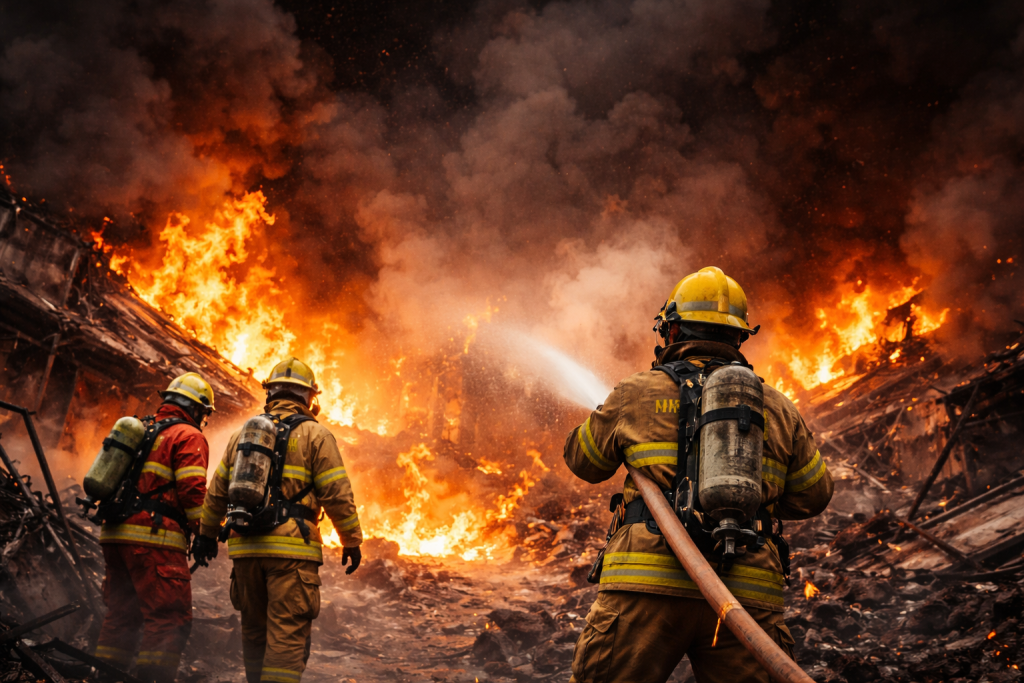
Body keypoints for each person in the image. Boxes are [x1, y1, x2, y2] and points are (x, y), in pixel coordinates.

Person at [565, 266, 834, 683]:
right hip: (744, 593)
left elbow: (585, 462)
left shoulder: (635, 392)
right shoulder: (778, 409)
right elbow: (813, 496)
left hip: (644, 587)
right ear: (740, 338)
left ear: (670, 332)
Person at [193, 357, 362, 683]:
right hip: (291, 555)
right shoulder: (316, 435)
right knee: (286, 637)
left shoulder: (244, 433)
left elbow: (216, 492)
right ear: (311, 397)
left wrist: (205, 534)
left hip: (245, 550)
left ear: (269, 393)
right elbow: (337, 494)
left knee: (254, 634)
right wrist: (351, 539)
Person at [94, 372, 215, 683]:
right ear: (197, 409)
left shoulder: (142, 429)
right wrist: (205, 533)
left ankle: (104, 677)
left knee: (122, 615)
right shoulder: (187, 435)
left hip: (115, 535)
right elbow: (192, 491)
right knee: (169, 617)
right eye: (205, 413)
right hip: (152, 538)